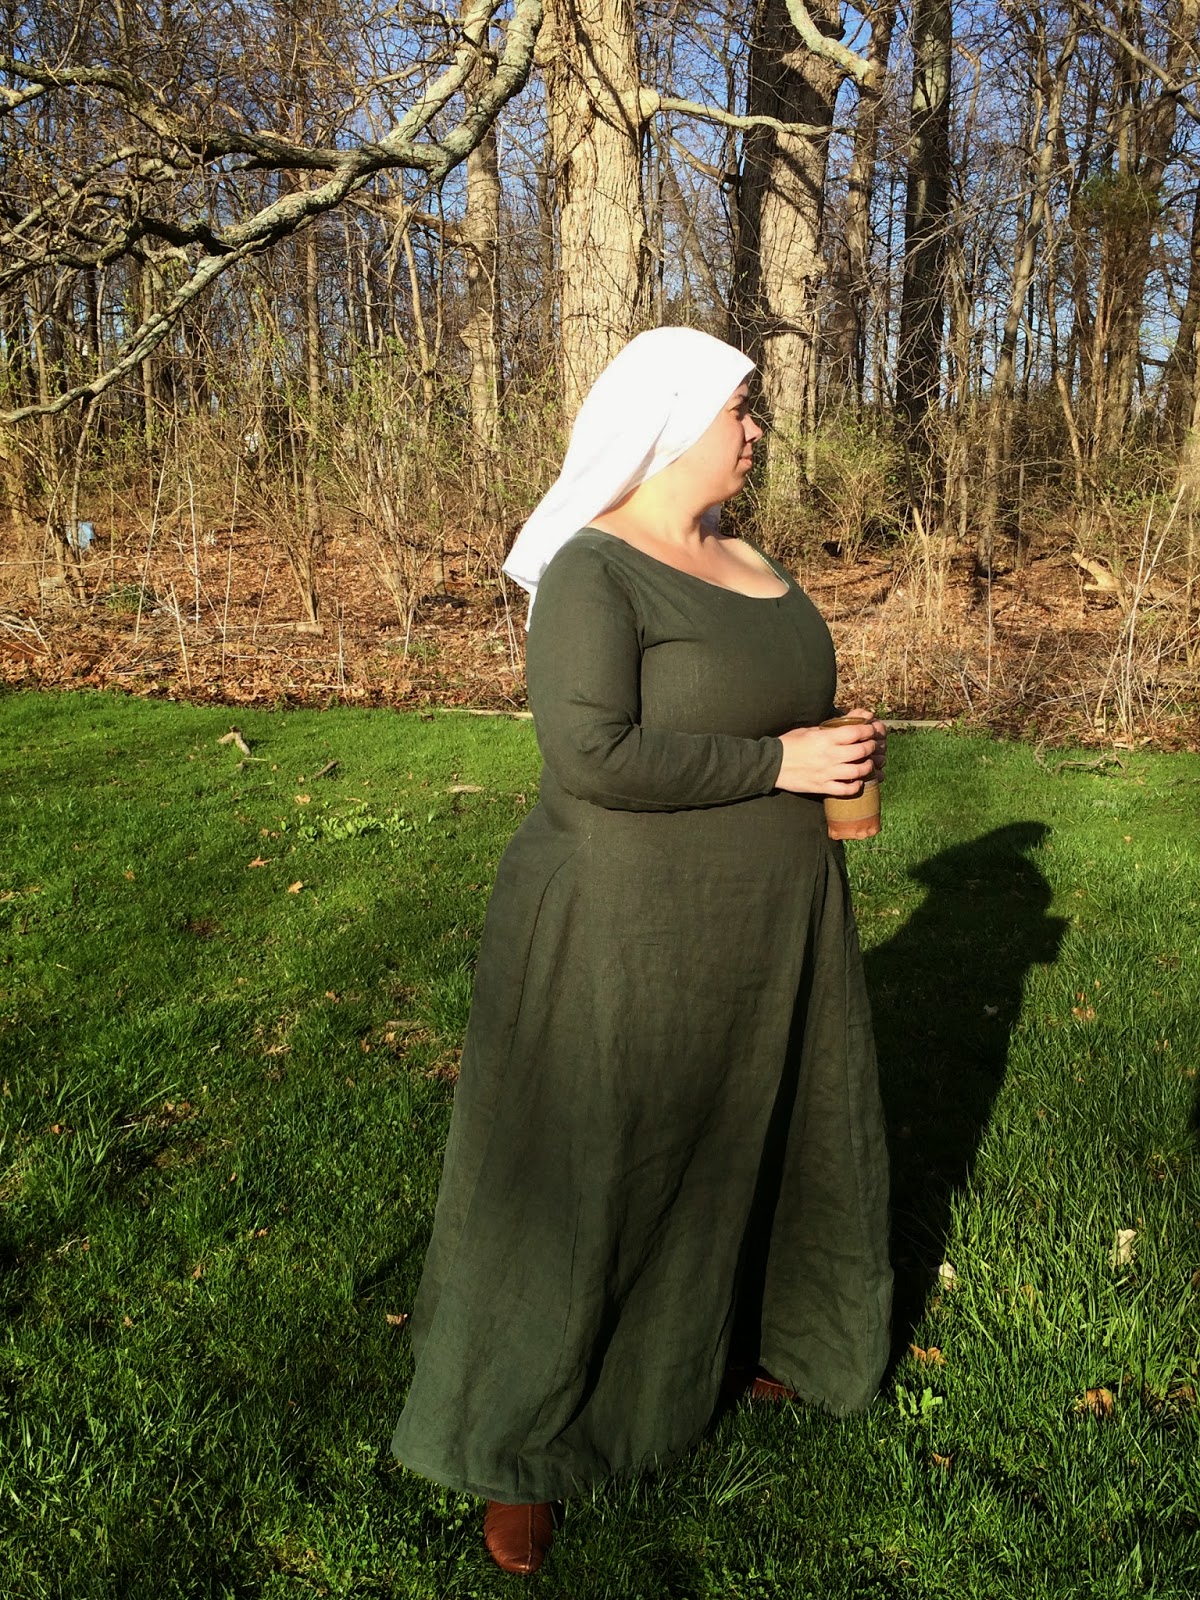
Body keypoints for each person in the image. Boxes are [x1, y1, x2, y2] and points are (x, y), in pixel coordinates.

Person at [391, 327, 892, 1576]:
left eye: (755, 410)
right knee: (595, 1166)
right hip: (626, 927)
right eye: (740, 410)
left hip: (770, 916)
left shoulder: (752, 560)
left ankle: (753, 1340)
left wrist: (833, 746)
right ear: (671, 419)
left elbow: (775, 708)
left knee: (753, 1130)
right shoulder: (594, 570)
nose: (757, 431)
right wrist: (780, 762)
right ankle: (520, 1434)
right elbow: (590, 754)